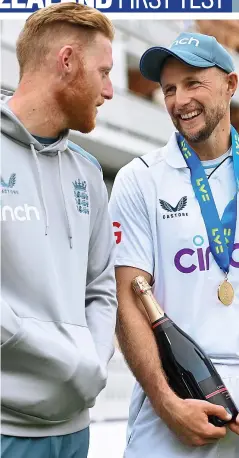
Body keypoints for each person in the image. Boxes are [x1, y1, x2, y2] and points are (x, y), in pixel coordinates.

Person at [109, 32, 239, 458]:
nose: (180, 100)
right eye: (169, 89)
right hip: (177, 401)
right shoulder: (139, 179)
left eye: (193, 82)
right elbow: (128, 300)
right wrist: (165, 402)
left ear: (231, 85)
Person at [1, 3, 117, 457]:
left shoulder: (88, 174)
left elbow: (101, 286)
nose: (109, 90)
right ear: (67, 61)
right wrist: (66, 357)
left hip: (74, 430)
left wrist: (91, 360)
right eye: (104, 72)